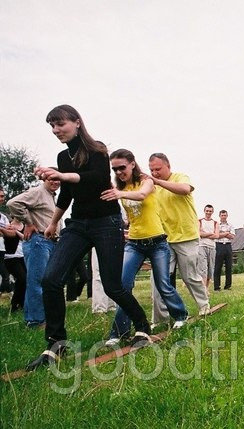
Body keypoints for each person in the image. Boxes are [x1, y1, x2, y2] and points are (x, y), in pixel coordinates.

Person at [27, 105, 152, 371]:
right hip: (78, 224)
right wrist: (53, 222)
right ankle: (56, 343)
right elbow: (66, 194)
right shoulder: (63, 156)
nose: (55, 130)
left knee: (111, 286)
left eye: (60, 124)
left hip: (106, 223)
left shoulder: (98, 150)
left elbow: (94, 179)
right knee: (50, 279)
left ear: (76, 122)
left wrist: (62, 176)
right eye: (51, 125)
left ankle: (142, 327)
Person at [101, 149, 188, 345]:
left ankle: (181, 315)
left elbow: (141, 195)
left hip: (157, 242)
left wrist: (118, 193)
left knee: (163, 284)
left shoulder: (146, 181)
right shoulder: (119, 186)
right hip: (134, 243)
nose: (119, 172)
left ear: (132, 163)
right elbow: (129, 217)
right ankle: (119, 332)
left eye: (122, 167)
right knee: (122, 286)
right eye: (114, 169)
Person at [148, 153, 210, 323]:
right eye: (151, 170)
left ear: (168, 166)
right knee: (160, 279)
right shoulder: (152, 187)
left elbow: (184, 189)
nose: (155, 173)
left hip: (186, 236)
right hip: (164, 239)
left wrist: (158, 182)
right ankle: (160, 319)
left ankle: (204, 306)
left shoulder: (180, 177)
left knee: (189, 276)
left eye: (158, 169)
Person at [7, 175, 61, 325]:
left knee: (39, 282)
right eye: (51, 178)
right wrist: (29, 223)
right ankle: (36, 321)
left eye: (58, 179)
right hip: (38, 241)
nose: (55, 182)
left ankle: (34, 318)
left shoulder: (51, 196)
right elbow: (13, 203)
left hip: (48, 242)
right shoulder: (38, 192)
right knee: (37, 282)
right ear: (44, 179)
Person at [1, 217, 27, 313]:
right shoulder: (8, 225)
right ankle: (15, 305)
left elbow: (25, 237)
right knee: (22, 279)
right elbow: (7, 234)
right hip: (11, 258)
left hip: (22, 257)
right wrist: (11, 231)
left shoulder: (25, 226)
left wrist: (16, 231)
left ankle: (21, 304)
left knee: (25, 280)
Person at [213, 209, 235, 290]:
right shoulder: (216, 225)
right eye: (222, 215)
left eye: (225, 215)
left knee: (229, 266)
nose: (223, 217)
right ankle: (216, 286)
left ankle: (228, 286)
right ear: (219, 216)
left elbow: (232, 236)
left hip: (228, 246)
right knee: (218, 266)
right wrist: (226, 233)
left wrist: (222, 233)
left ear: (227, 216)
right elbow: (216, 235)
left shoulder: (230, 225)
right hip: (219, 245)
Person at [198, 204, 218, 293]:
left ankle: (207, 287)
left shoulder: (215, 223)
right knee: (203, 268)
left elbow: (217, 235)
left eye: (210, 211)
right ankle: (203, 289)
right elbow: (199, 234)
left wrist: (205, 233)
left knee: (210, 268)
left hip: (212, 247)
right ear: (204, 211)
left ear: (212, 212)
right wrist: (211, 233)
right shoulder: (199, 221)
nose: (208, 212)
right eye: (207, 211)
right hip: (202, 246)